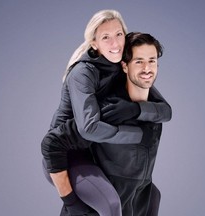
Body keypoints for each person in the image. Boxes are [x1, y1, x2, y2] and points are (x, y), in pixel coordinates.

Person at [41, 10, 171, 216]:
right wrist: (137, 135)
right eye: (106, 37)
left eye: (119, 35)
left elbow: (165, 111)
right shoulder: (82, 73)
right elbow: (89, 128)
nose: (115, 43)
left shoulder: (122, 66)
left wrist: (135, 109)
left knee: (151, 196)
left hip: (94, 151)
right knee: (110, 204)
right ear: (94, 43)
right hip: (66, 154)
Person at [92, 32, 170, 216]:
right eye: (139, 61)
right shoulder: (109, 107)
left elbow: (167, 112)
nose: (147, 68)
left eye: (151, 61)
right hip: (110, 197)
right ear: (125, 66)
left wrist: (136, 110)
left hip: (141, 194)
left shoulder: (156, 107)